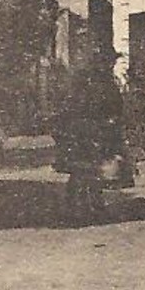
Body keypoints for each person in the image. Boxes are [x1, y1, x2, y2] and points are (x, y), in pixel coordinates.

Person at [53, 49, 128, 221]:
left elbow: (116, 107)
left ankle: (90, 204)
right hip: (86, 132)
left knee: (89, 170)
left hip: (92, 132)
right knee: (84, 169)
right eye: (108, 63)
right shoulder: (95, 83)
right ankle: (80, 205)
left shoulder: (102, 82)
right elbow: (74, 107)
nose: (110, 66)